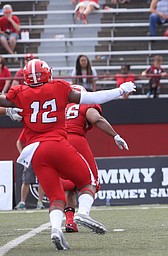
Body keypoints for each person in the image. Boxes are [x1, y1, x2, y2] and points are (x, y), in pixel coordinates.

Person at [0, 58, 135, 250]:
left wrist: (8, 111)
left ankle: (56, 228)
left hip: (36, 151)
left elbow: (3, 99)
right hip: (57, 144)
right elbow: (95, 98)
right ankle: (83, 213)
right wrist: (121, 90)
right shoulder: (58, 88)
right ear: (47, 73)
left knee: (56, 196)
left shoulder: (20, 92)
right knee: (88, 181)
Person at [63, 84, 129, 232]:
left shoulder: (60, 107)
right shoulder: (84, 105)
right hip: (76, 140)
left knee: (69, 185)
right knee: (91, 180)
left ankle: (69, 222)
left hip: (59, 142)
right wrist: (115, 135)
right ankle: (83, 213)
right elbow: (97, 119)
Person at [14, 128, 46, 210]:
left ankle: (40, 202)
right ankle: (22, 202)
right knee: (26, 180)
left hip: (41, 155)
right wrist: (23, 154)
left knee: (42, 180)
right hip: (30, 157)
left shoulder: (46, 128)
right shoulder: (28, 127)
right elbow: (19, 141)